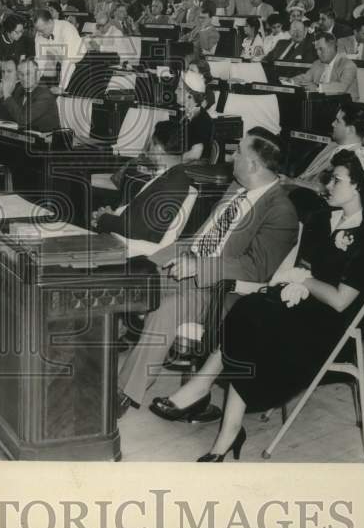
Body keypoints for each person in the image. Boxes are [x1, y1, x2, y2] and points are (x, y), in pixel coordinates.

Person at [149, 148, 364, 462]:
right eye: (329, 178)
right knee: (248, 313)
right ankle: (225, 426)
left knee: (255, 322)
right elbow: (302, 268)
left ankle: (211, 410)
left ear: (359, 186)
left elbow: (342, 301)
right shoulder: (321, 218)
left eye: (337, 180)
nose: (328, 185)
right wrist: (292, 281)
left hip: (331, 325)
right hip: (298, 305)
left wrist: (302, 280)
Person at [117, 127, 300, 414]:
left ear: (253, 164)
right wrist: (152, 260)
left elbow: (256, 269)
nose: (232, 156)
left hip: (217, 289)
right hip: (187, 263)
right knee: (124, 280)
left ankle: (123, 394)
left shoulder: (281, 211)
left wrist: (197, 266)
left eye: (238, 151)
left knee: (166, 310)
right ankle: (93, 374)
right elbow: (203, 238)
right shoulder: (236, 188)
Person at [92, 119, 195, 248]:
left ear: (158, 148)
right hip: (124, 230)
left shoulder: (169, 184)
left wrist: (104, 218)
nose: (148, 148)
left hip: (125, 245)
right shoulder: (173, 177)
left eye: (151, 143)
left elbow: (137, 231)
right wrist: (113, 215)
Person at [282, 101, 364, 194]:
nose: (333, 124)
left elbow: (329, 190)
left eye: (338, 121)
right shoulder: (333, 145)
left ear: (350, 130)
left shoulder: (355, 159)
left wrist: (293, 182)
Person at [0, 57, 62, 132]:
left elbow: (23, 120)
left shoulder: (45, 95)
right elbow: (1, 117)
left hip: (45, 140)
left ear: (38, 75)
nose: (24, 78)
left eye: (28, 73)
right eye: (21, 74)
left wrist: (7, 95)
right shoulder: (19, 90)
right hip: (25, 138)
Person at [285, 32, 360, 100]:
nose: (318, 53)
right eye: (316, 49)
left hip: (346, 108)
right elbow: (305, 77)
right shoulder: (317, 63)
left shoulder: (348, 65)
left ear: (331, 48)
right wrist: (290, 81)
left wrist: (318, 87)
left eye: (321, 49)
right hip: (323, 105)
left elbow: (342, 87)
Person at [33, 8, 83, 91]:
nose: (40, 34)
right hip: (62, 64)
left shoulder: (66, 29)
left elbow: (68, 60)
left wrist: (61, 87)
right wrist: (34, 81)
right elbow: (40, 60)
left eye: (42, 31)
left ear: (50, 22)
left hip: (81, 65)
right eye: (38, 31)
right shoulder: (40, 33)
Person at [176, 69, 215, 163]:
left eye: (179, 89)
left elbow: (195, 154)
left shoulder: (202, 119)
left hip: (192, 171)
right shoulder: (187, 115)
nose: (175, 91)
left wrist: (172, 161)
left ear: (190, 95)